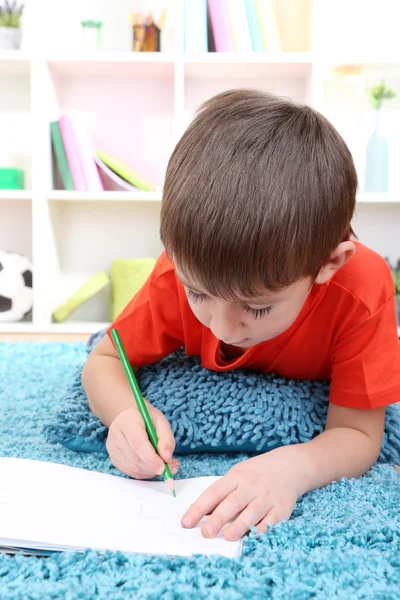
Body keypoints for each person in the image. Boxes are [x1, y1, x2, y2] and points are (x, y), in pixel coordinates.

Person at [82, 89, 400, 542]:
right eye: (199, 294)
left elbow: (359, 433)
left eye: (257, 306)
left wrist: (295, 466)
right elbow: (104, 361)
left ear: (330, 264)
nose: (221, 327)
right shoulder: (177, 270)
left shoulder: (363, 289)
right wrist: (126, 415)